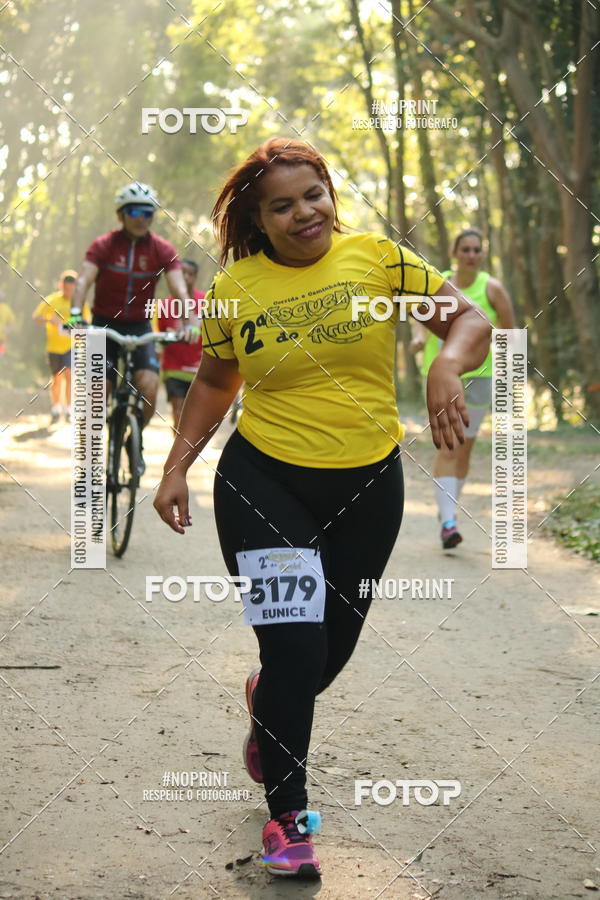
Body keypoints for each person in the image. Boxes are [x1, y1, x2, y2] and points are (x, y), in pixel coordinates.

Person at [153, 139, 490, 878]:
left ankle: (265, 699)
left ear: (331, 194)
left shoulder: (378, 260)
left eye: (314, 194)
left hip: (368, 486)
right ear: (260, 221)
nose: (304, 211)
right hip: (263, 480)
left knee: (320, 661)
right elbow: (214, 381)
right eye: (283, 204)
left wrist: (446, 365)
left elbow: (469, 321)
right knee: (295, 647)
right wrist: (176, 468)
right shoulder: (238, 287)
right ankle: (289, 821)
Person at [68, 182, 196, 472]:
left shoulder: (161, 249)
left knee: (149, 388)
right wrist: (76, 314)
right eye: (135, 211)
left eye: (148, 213)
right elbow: (84, 280)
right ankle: (88, 461)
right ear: (121, 215)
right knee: (98, 391)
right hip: (103, 324)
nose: (142, 218)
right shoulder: (104, 245)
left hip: (140, 327)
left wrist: (190, 322)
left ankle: (132, 440)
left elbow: (179, 290)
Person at [410, 227, 516, 549]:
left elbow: (509, 332)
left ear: (482, 255)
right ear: (454, 253)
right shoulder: (436, 282)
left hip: (480, 379)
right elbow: (420, 315)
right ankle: (448, 522)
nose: (471, 255)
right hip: (442, 377)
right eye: (465, 249)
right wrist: (419, 337)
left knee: (464, 449)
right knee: (447, 445)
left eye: (476, 249)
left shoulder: (492, 288)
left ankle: (449, 509)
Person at [32, 271, 90, 423]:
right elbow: (36, 317)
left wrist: (79, 327)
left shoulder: (80, 303)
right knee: (56, 378)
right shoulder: (52, 300)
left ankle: (70, 408)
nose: (69, 292)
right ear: (61, 286)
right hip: (53, 347)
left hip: (72, 345)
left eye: (72, 289)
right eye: (66, 288)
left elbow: (87, 323)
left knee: (70, 375)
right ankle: (56, 407)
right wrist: (49, 320)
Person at [155, 258, 204, 428]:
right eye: (181, 273)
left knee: (195, 417)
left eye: (189, 274)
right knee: (178, 411)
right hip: (173, 368)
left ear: (195, 277)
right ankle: (180, 449)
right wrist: (168, 337)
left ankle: (190, 449)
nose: (185, 277)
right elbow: (160, 338)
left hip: (199, 369)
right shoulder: (164, 306)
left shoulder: (205, 302)